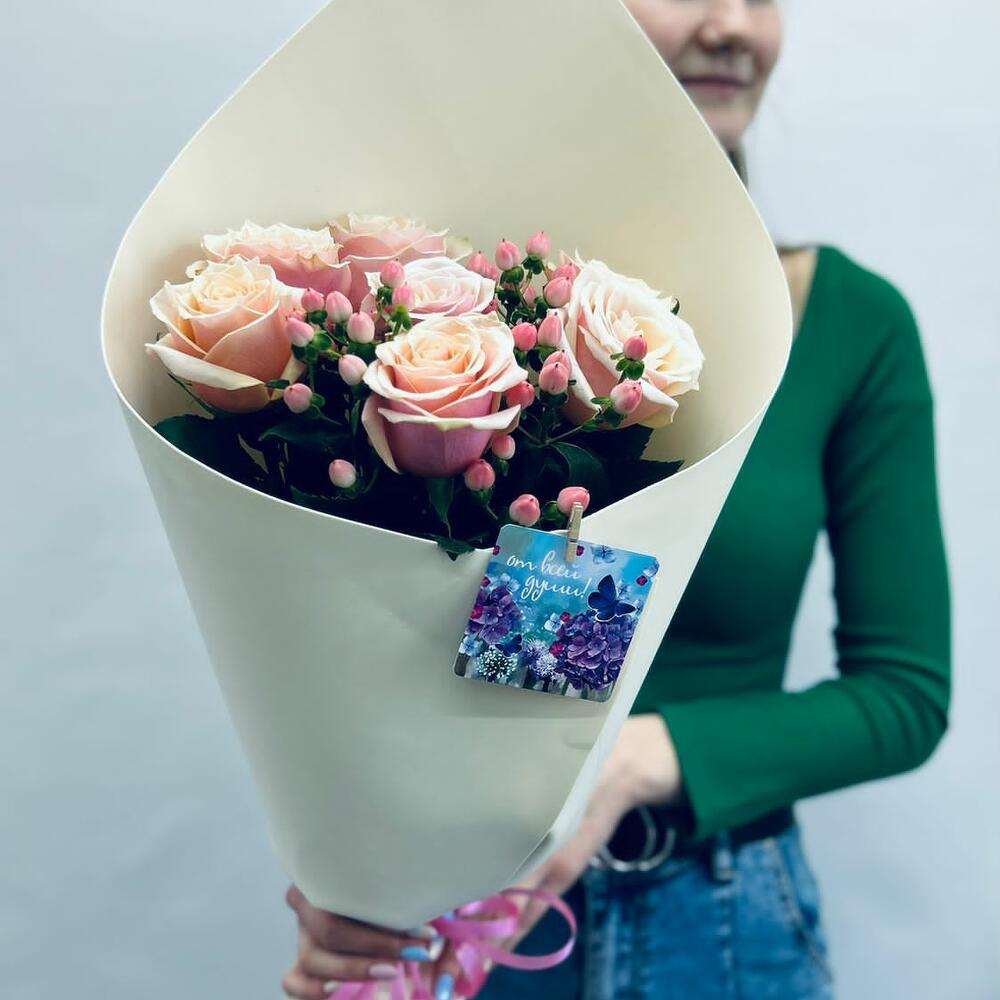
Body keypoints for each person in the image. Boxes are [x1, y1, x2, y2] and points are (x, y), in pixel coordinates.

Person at [281, 2, 951, 997]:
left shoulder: (851, 323)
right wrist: (354, 871)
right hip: (480, 914)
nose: (732, 25)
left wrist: (632, 759)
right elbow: (383, 638)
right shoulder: (458, 312)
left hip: (717, 926)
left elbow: (904, 696)